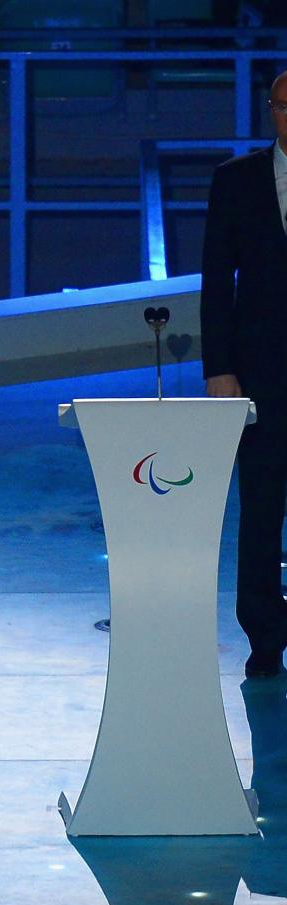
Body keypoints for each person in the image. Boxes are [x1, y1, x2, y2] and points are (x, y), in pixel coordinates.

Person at [200, 70, 287, 679]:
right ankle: (265, 635)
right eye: (285, 106)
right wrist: (218, 367)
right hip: (259, 374)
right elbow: (215, 281)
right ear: (270, 110)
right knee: (260, 506)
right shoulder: (236, 181)